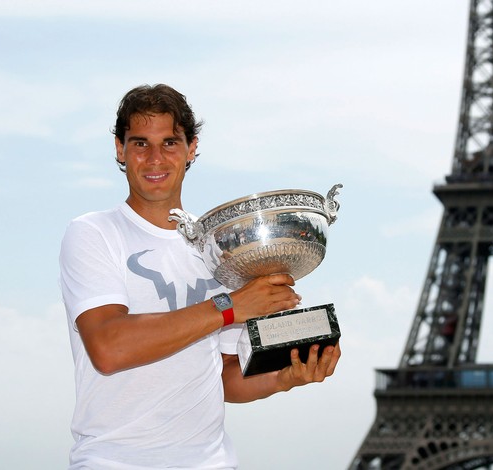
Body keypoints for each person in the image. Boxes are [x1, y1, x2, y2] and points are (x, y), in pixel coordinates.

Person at [59, 83, 341, 469]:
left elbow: (224, 377)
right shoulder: (94, 233)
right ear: (120, 149)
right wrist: (229, 307)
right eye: (140, 143)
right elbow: (109, 348)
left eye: (170, 143)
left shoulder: (221, 251)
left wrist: (285, 377)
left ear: (192, 148)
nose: (155, 158)